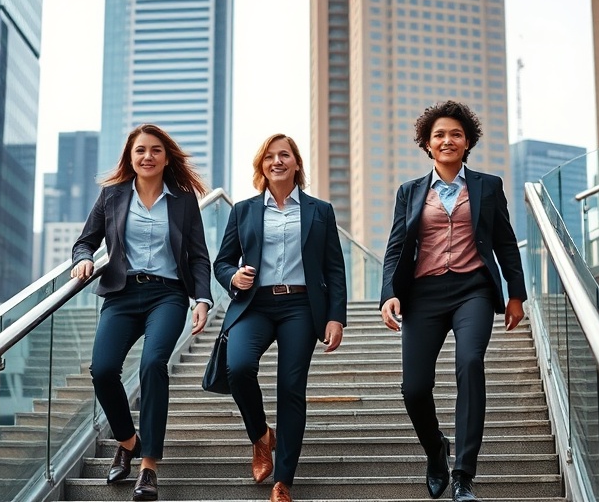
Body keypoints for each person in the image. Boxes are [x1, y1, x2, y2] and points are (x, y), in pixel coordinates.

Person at [379, 101, 526, 502]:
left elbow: (505, 244)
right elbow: (395, 249)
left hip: (472, 290)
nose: (447, 140)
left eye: (455, 134)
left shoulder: (487, 186)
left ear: (467, 142)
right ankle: (435, 449)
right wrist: (389, 294)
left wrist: (516, 294)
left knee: (470, 363)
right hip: (423, 295)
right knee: (413, 388)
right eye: (439, 134)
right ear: (427, 144)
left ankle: (463, 473)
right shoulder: (409, 192)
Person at [71, 124, 213, 501]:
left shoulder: (182, 201)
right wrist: (84, 259)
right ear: (130, 158)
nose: (147, 156)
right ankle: (128, 441)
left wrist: (202, 299)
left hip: (167, 295)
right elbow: (85, 241)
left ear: (166, 158)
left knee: (152, 364)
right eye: (140, 151)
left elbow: (198, 256)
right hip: (121, 294)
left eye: (155, 150)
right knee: (102, 370)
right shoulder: (112, 196)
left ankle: (148, 465)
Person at [213, 133, 348, 502]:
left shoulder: (320, 210)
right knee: (237, 368)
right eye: (270, 156)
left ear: (296, 163)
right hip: (254, 304)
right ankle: (261, 435)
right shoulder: (243, 210)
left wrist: (336, 316)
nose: (277, 161)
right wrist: (232, 276)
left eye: (284, 155)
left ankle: (283, 480)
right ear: (262, 166)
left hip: (301, 307)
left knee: (291, 388)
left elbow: (334, 268)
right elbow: (222, 262)